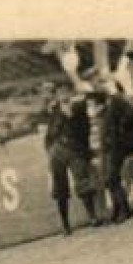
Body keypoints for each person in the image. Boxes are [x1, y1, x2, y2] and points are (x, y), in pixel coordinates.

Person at [41, 82, 100, 234]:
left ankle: (92, 217)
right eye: (60, 93)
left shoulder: (78, 106)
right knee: (60, 188)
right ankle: (65, 224)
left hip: (75, 149)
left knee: (83, 183)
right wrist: (50, 149)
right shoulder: (54, 110)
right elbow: (49, 132)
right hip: (59, 150)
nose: (63, 96)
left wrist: (62, 105)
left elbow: (73, 114)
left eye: (65, 92)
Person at [92, 83, 133, 224]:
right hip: (108, 147)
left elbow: (131, 114)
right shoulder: (106, 110)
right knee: (108, 179)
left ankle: (124, 209)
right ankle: (118, 209)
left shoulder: (117, 101)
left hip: (115, 146)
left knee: (112, 178)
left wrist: (121, 131)